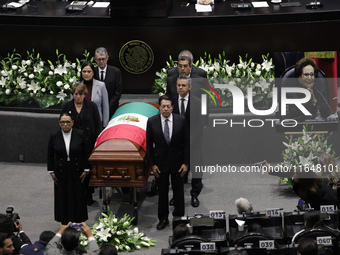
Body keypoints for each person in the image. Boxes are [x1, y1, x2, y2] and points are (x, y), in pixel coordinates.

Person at [146, 95, 189, 230]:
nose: (166, 109)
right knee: (162, 194)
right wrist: (152, 165)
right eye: (163, 106)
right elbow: (149, 145)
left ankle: (179, 219)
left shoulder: (181, 120)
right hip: (160, 164)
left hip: (178, 163)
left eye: (168, 106)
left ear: (172, 107)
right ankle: (163, 219)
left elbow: (187, 144)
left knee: (179, 193)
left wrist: (186, 163)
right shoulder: (151, 121)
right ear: (159, 107)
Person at [62, 82, 103, 205]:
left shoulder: (92, 106)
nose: (78, 97)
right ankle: (75, 195)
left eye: (80, 94)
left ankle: (88, 195)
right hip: (73, 143)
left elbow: (97, 124)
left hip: (88, 143)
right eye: (75, 94)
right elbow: (62, 123)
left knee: (87, 169)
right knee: (74, 168)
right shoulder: (67, 107)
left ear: (85, 95)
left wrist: (97, 141)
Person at [47, 112, 89, 224]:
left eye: (68, 122)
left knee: (77, 196)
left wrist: (86, 169)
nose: (65, 124)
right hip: (61, 171)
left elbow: (86, 153)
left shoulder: (80, 134)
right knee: (63, 195)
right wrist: (51, 171)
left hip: (77, 170)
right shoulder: (54, 135)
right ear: (59, 123)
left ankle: (78, 221)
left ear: (72, 123)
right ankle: (65, 222)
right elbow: (50, 154)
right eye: (63, 122)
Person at [170, 75, 204, 207]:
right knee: (177, 172)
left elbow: (199, 124)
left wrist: (190, 140)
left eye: (183, 85)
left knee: (196, 170)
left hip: (194, 141)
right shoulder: (171, 102)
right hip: (177, 144)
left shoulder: (197, 102)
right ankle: (176, 196)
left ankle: (194, 195)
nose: (180, 87)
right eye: (178, 85)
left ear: (189, 87)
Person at [94, 47, 122, 118]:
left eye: (103, 59)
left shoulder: (116, 72)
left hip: (112, 108)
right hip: (96, 109)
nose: (101, 61)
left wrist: (108, 106)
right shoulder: (92, 72)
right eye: (99, 59)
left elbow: (118, 92)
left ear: (107, 58)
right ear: (95, 59)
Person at [80, 62, 109, 127]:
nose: (86, 74)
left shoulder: (101, 85)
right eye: (84, 71)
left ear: (93, 73)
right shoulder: (76, 85)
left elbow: (105, 107)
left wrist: (105, 125)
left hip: (96, 123)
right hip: (80, 122)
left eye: (89, 71)